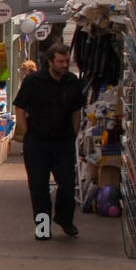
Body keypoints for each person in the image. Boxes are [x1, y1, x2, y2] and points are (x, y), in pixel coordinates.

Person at [13, 42, 83, 239]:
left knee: (68, 185)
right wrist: (26, 133)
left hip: (63, 142)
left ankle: (64, 219)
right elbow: (19, 106)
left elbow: (76, 110)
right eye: (60, 61)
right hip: (37, 142)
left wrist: (73, 133)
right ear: (50, 62)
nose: (64, 65)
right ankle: (43, 228)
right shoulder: (33, 81)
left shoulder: (72, 82)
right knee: (39, 188)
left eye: (66, 61)